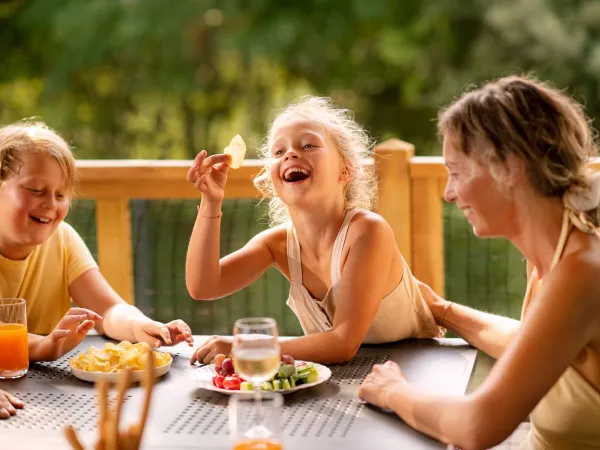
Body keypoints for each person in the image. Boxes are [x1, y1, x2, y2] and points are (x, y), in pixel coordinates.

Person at [359, 75, 600, 449]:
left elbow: (476, 427)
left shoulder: (583, 271)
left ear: (510, 168)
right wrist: (441, 310)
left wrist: (394, 392)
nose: (448, 193)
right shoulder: (553, 257)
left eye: (455, 172)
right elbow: (529, 345)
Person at [186, 96, 440, 365]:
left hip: (419, 369)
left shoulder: (367, 232)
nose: (291, 154)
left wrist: (248, 347)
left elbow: (342, 343)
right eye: (278, 151)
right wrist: (211, 201)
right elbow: (203, 286)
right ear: (272, 181)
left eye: (308, 145)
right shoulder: (277, 244)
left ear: (345, 170)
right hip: (347, 379)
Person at [0, 121, 194, 365]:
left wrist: (140, 326)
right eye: (36, 190)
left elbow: (108, 310)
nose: (50, 203)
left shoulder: (63, 239)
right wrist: (45, 346)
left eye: (61, 195)